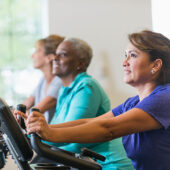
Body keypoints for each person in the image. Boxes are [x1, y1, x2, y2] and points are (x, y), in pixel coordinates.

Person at [16, 38, 135, 169]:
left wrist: (38, 136)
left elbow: (72, 138)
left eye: (63, 54)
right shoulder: (64, 90)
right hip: (86, 163)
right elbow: (56, 128)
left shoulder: (87, 87)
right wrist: (33, 130)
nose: (55, 58)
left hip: (108, 164)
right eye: (56, 54)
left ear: (80, 63)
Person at [23, 35, 64, 123]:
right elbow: (24, 105)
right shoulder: (43, 80)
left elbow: (35, 112)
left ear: (49, 57)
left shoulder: (60, 81)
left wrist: (18, 115)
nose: (32, 56)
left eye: (37, 50)